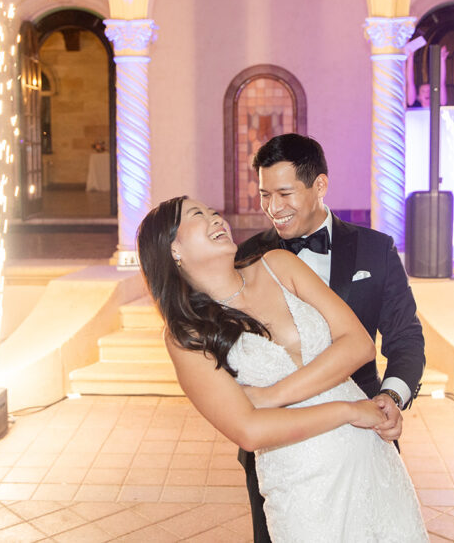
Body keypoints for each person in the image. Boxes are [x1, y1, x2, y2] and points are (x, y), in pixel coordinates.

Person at [137, 197, 427, 542]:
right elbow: (249, 430)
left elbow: (359, 344)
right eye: (197, 216)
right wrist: (347, 411)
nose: (215, 218)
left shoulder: (279, 265)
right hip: (303, 488)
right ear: (173, 251)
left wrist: (272, 396)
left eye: (213, 212)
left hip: (371, 460)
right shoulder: (188, 335)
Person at [236, 133, 426, 543]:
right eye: (265, 195)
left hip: (362, 435)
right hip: (279, 447)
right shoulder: (247, 257)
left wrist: (391, 399)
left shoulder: (375, 250)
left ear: (320, 185)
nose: (273, 208)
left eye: (285, 193)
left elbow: (405, 337)